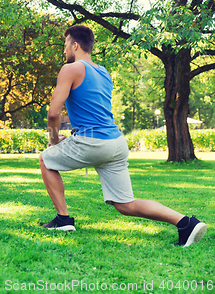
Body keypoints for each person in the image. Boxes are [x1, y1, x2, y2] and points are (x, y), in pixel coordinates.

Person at [39, 25, 206, 247]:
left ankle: (63, 219)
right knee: (125, 204)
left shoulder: (70, 69)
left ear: (75, 45)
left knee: (45, 158)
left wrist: (53, 141)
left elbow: (53, 113)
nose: (64, 51)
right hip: (116, 143)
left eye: (65, 45)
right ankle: (186, 223)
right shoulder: (103, 72)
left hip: (93, 141)